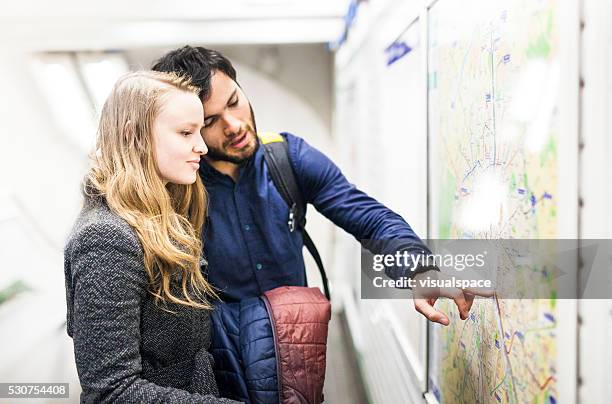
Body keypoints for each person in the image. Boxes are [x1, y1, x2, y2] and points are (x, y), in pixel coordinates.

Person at [152, 46, 488, 326]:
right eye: (210, 121)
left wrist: (420, 270)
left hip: (295, 349)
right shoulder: (174, 189)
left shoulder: (288, 158)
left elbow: (371, 219)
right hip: (218, 363)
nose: (234, 125)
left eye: (234, 101)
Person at [63, 71, 240, 403]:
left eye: (199, 131)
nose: (201, 146)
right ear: (135, 136)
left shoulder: (161, 214)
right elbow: (112, 391)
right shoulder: (104, 240)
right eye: (186, 132)